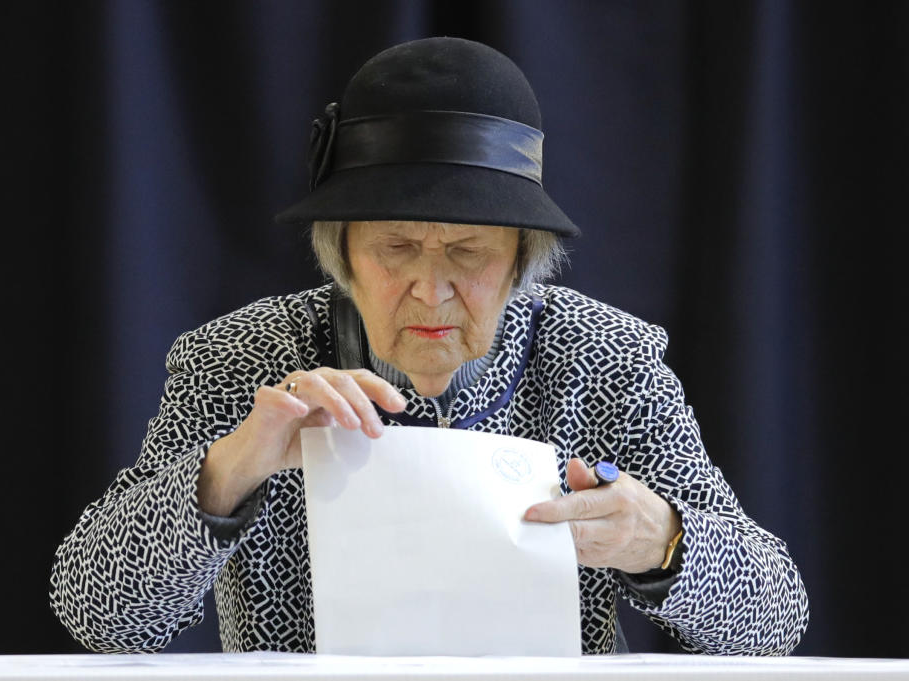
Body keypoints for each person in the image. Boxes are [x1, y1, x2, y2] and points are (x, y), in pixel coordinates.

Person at [50, 37, 808, 655]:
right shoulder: (244, 359)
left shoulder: (603, 360)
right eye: (397, 247)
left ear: (521, 260)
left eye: (469, 252)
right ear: (341, 252)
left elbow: (777, 619)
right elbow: (94, 611)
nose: (431, 288)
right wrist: (229, 469)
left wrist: (663, 539)